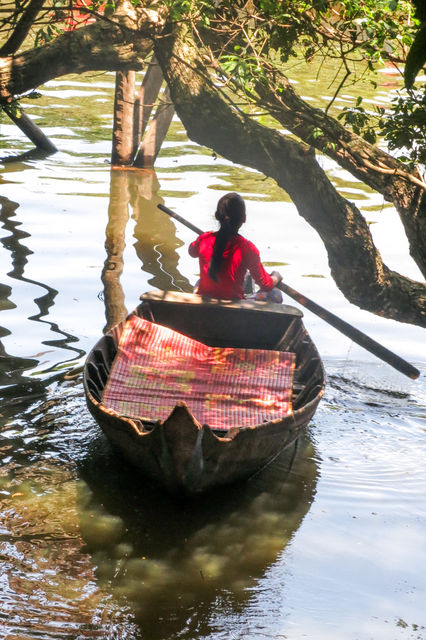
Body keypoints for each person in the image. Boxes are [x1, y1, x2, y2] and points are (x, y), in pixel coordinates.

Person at [188, 192, 283, 301]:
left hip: (205, 302)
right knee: (275, 293)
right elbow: (266, 284)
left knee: (200, 282)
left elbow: (191, 252)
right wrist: (276, 277)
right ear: (244, 218)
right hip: (235, 308)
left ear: (217, 216)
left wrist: (204, 237)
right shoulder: (248, 248)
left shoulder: (204, 239)